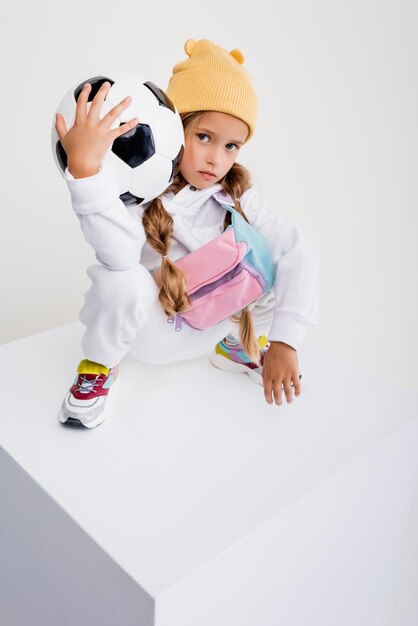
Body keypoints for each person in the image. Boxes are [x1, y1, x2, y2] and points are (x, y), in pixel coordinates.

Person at [55, 38, 319, 429]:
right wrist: (86, 173)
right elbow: (119, 258)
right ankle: (98, 367)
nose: (217, 159)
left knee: (279, 256)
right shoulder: (139, 192)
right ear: (173, 130)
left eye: (232, 146)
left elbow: (298, 251)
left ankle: (237, 348)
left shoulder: (239, 195)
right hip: (158, 335)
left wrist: (285, 339)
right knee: (118, 281)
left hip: (214, 326)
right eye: (204, 137)